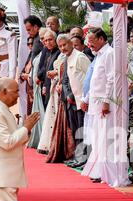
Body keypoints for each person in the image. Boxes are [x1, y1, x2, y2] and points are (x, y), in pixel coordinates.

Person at [81, 28, 115, 183]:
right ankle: (98, 171)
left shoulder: (109, 54)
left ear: (101, 39)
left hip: (103, 104)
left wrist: (107, 101)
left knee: (103, 138)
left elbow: (111, 79)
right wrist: (86, 99)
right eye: (88, 41)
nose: (90, 44)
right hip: (94, 102)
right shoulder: (99, 55)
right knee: (96, 138)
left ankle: (104, 172)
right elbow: (94, 81)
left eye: (92, 40)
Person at [56, 34, 91, 168]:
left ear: (71, 43)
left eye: (65, 44)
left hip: (83, 102)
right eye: (60, 46)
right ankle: (78, 157)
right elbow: (65, 80)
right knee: (76, 131)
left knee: (83, 131)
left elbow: (90, 78)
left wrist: (84, 98)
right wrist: (68, 95)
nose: (63, 48)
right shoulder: (66, 59)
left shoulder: (80, 57)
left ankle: (85, 159)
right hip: (71, 102)